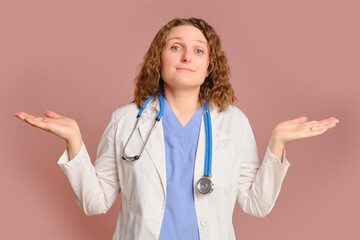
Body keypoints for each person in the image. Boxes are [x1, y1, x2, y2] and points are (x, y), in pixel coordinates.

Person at [14, 17, 339, 240]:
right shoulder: (126, 120)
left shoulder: (232, 122)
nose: (186, 56)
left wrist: (278, 143)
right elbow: (94, 203)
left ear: (209, 67)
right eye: (175, 47)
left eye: (198, 50)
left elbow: (257, 204)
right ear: (160, 58)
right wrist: (74, 140)